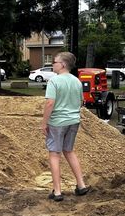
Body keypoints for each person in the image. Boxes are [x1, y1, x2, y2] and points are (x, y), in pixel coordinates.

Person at [41, 52, 90, 202]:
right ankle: (81, 185)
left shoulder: (54, 82)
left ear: (62, 64)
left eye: (54, 62)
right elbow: (81, 101)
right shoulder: (77, 81)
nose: (52, 64)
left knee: (54, 154)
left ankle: (57, 191)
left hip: (57, 122)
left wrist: (44, 123)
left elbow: (50, 103)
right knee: (69, 150)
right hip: (73, 121)